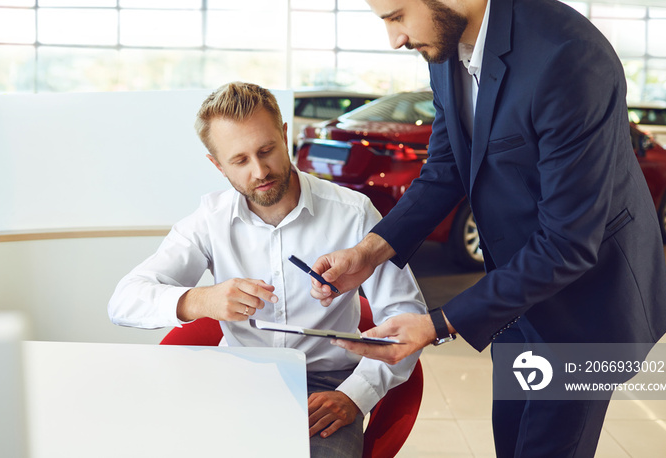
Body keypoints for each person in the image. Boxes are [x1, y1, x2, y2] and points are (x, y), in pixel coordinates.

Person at [309, 0, 666, 457]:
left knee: (547, 447)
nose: (395, 38)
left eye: (398, 17)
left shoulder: (569, 57)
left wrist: (437, 324)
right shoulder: (446, 46)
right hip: (513, 295)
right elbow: (445, 169)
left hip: (586, 307)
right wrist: (368, 253)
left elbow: (568, 244)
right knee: (512, 435)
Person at [108, 82, 427, 458]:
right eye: (240, 161)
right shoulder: (209, 220)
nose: (260, 171)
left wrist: (354, 396)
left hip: (326, 383)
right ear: (217, 165)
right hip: (238, 380)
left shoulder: (354, 213)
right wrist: (200, 299)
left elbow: (408, 317)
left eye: (267, 150)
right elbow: (124, 301)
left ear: (285, 135)